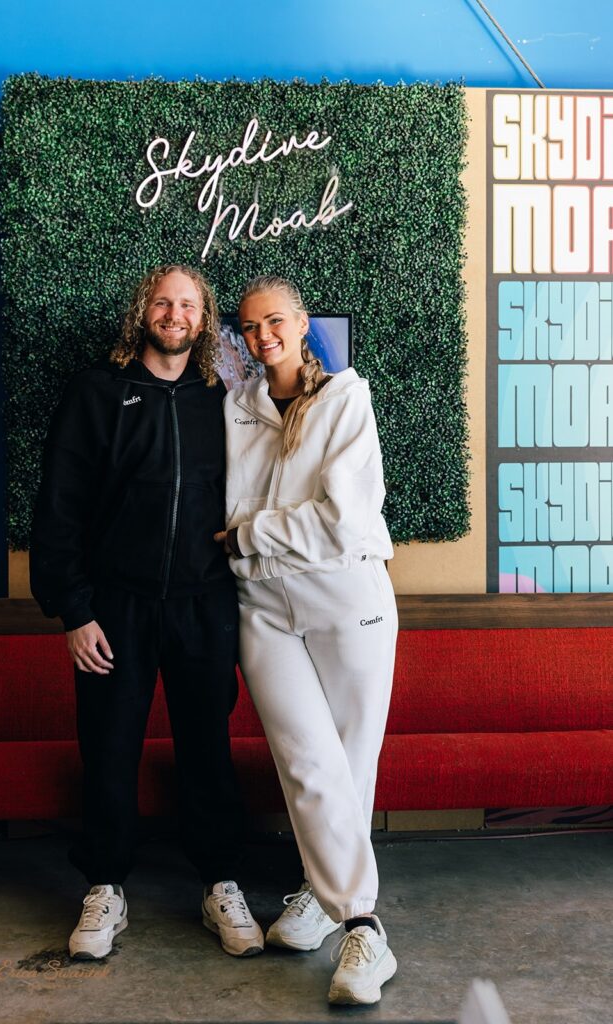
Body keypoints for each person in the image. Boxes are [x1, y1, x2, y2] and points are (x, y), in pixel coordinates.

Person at [30, 265, 263, 960]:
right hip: (114, 608)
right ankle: (104, 887)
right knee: (107, 751)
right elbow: (59, 505)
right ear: (143, 311)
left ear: (203, 318)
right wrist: (73, 610)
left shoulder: (224, 397)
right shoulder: (96, 391)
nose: (174, 313)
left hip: (203, 605)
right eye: (163, 301)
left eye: (187, 304)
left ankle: (219, 880)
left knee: (207, 753)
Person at [215, 276, 399, 1005]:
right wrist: (263, 537)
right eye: (249, 327)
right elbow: (293, 515)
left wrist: (249, 534)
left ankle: (338, 911)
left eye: (275, 323)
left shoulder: (345, 399)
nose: (263, 337)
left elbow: (344, 523)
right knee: (306, 761)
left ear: (300, 325)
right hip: (260, 606)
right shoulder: (235, 409)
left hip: (348, 600)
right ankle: (354, 916)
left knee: (348, 763)